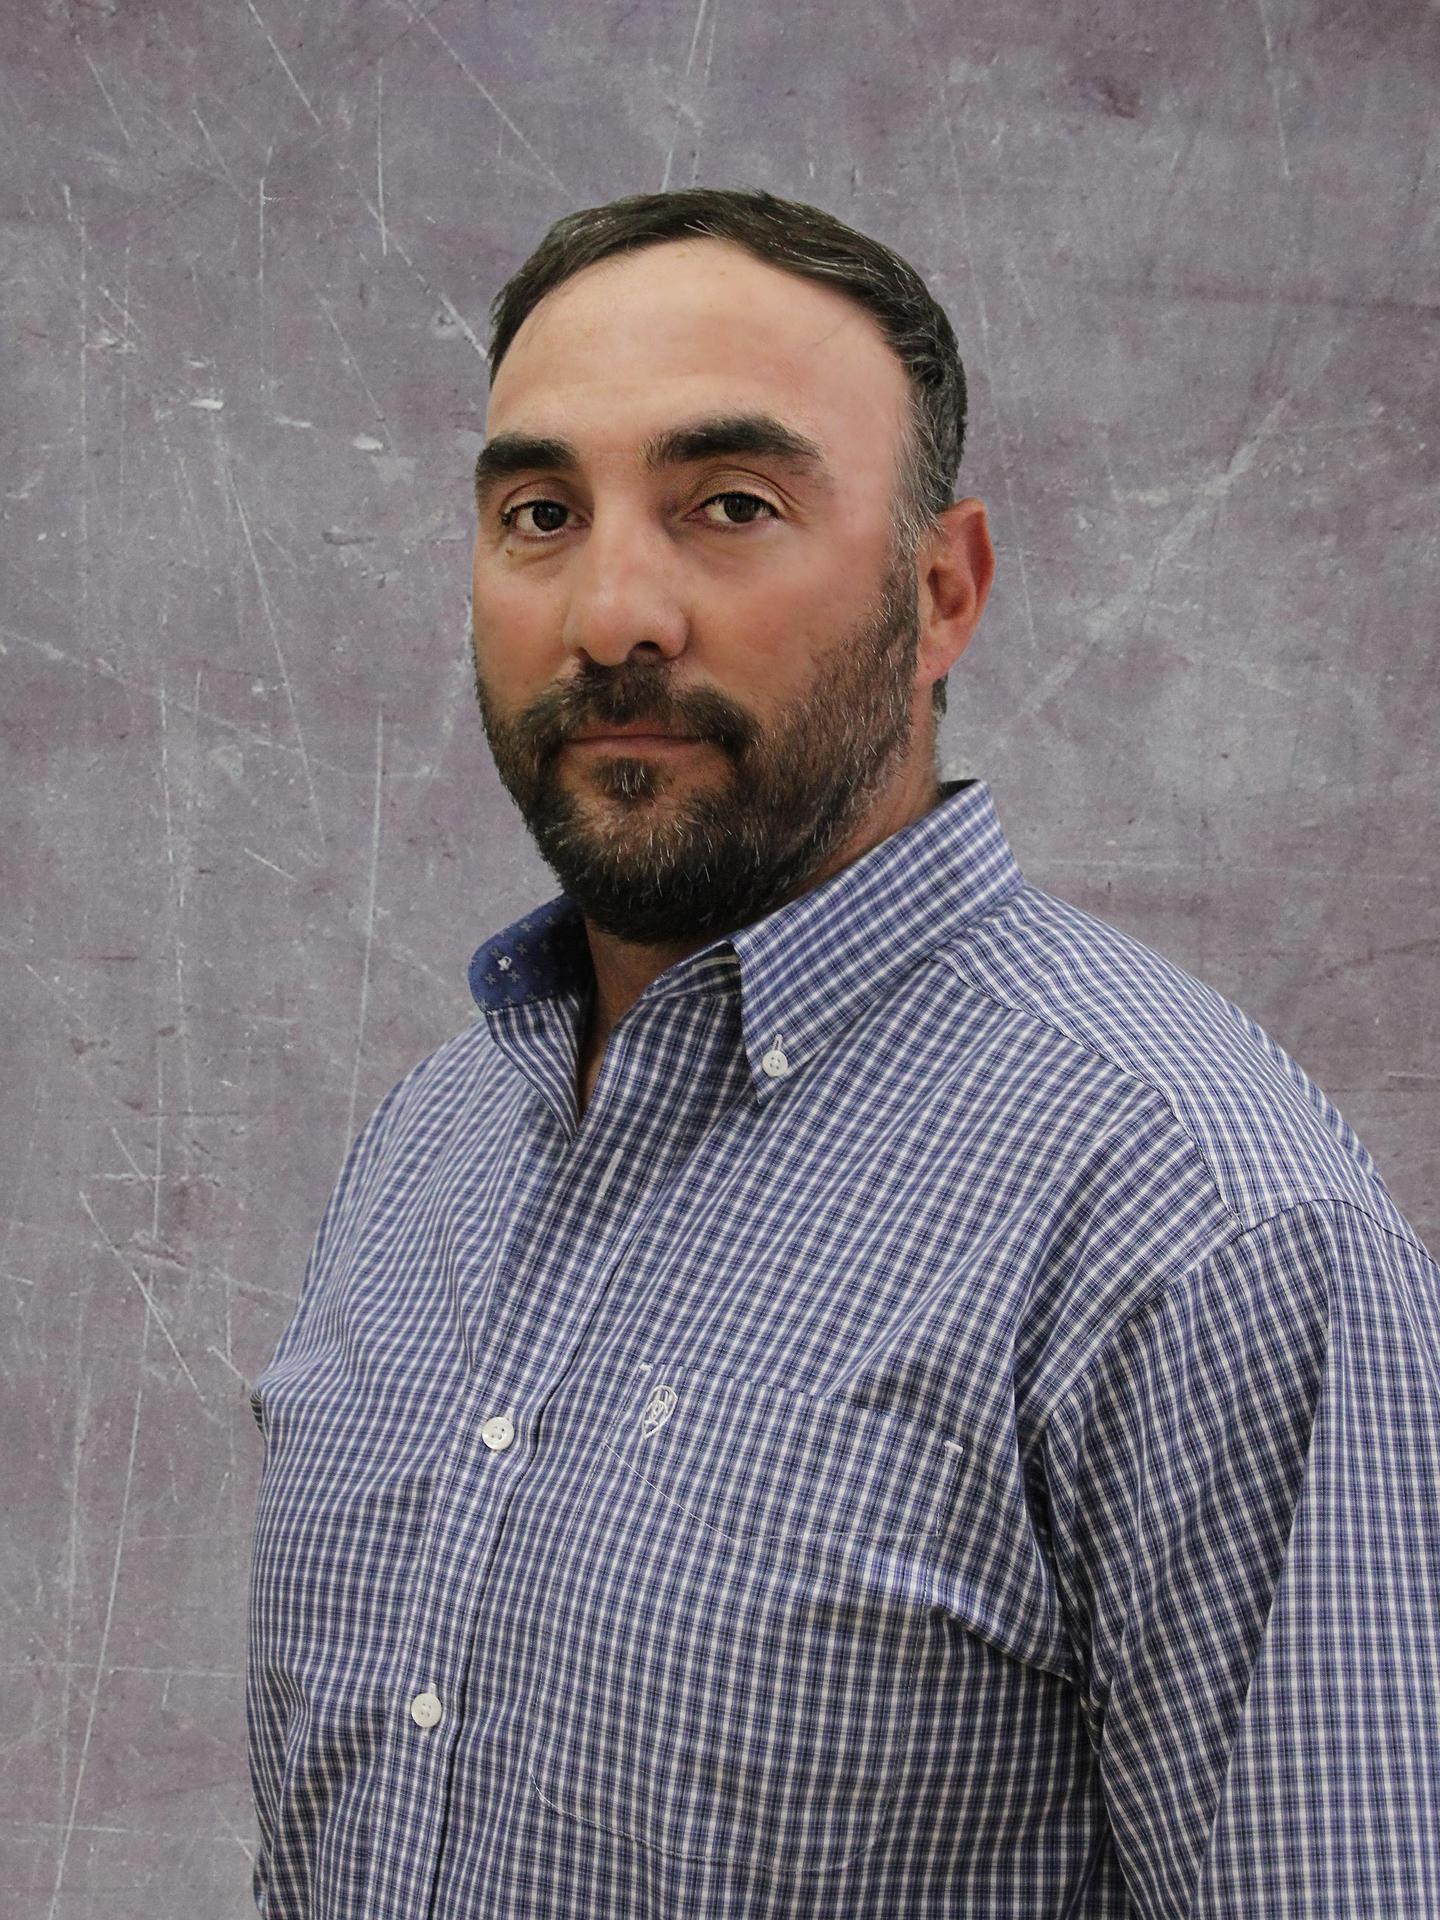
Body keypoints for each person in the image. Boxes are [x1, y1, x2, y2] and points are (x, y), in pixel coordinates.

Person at [244, 188, 1440, 1918]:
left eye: (729, 506)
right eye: (539, 512)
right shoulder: (434, 1146)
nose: (614, 613)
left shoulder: (1199, 1220)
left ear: (941, 592)